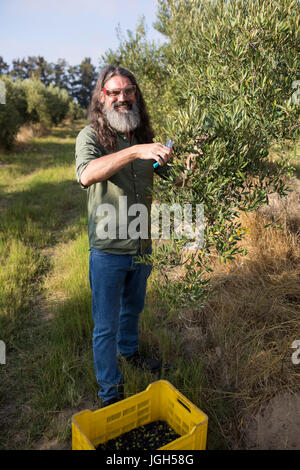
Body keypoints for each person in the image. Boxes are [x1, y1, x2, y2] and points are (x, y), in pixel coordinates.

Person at [75, 65, 192, 407]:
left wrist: (187, 164)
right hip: (109, 250)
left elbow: (172, 178)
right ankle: (110, 393)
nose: (123, 98)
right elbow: (86, 176)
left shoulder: (144, 137)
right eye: (115, 92)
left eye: (129, 92)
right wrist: (134, 152)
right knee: (105, 326)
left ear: (136, 95)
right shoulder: (91, 137)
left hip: (142, 245)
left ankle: (130, 354)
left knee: (133, 309)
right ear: (102, 97)